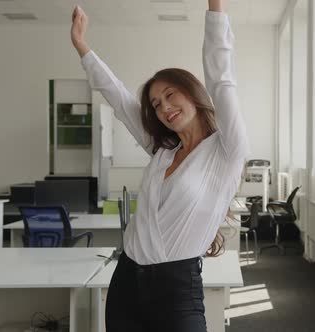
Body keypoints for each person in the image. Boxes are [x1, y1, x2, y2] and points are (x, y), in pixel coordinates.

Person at [70, 0, 249, 330]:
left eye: (170, 94)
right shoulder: (163, 151)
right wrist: (83, 47)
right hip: (127, 280)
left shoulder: (226, 150)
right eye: (156, 103)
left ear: (192, 93)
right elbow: (120, 100)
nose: (164, 107)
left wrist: (215, 7)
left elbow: (221, 76)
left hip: (176, 288)